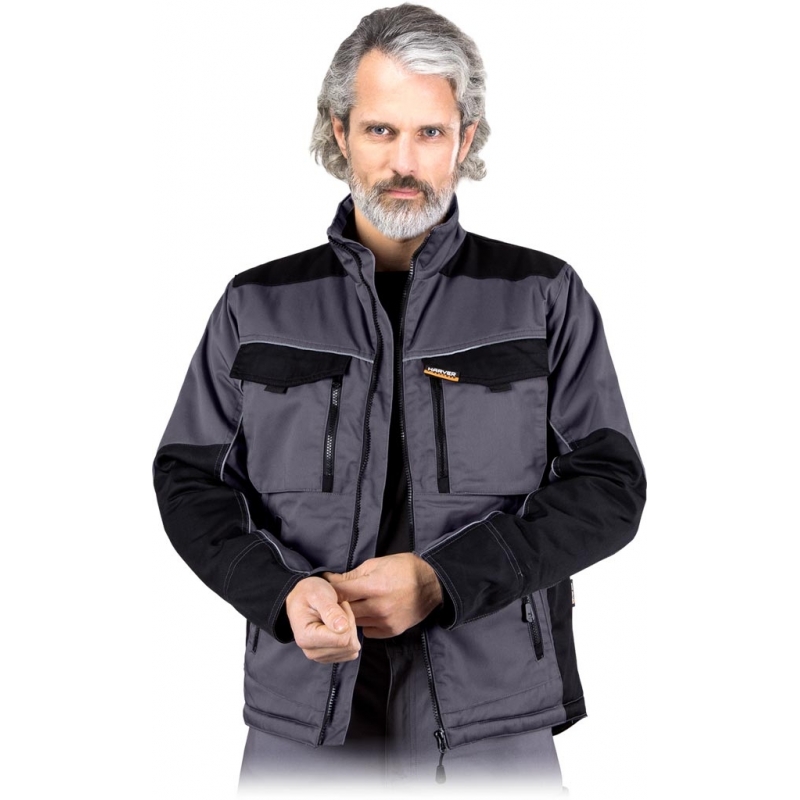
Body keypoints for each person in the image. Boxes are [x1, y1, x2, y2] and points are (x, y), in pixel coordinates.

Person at [152, 3, 646, 793]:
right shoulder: (258, 304)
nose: (405, 162)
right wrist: (281, 595)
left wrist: (445, 579)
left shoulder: (540, 295)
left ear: (466, 139)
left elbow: (609, 488)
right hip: (304, 710)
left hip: (491, 717)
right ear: (340, 132)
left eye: (430, 132)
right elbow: (190, 481)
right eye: (381, 130)